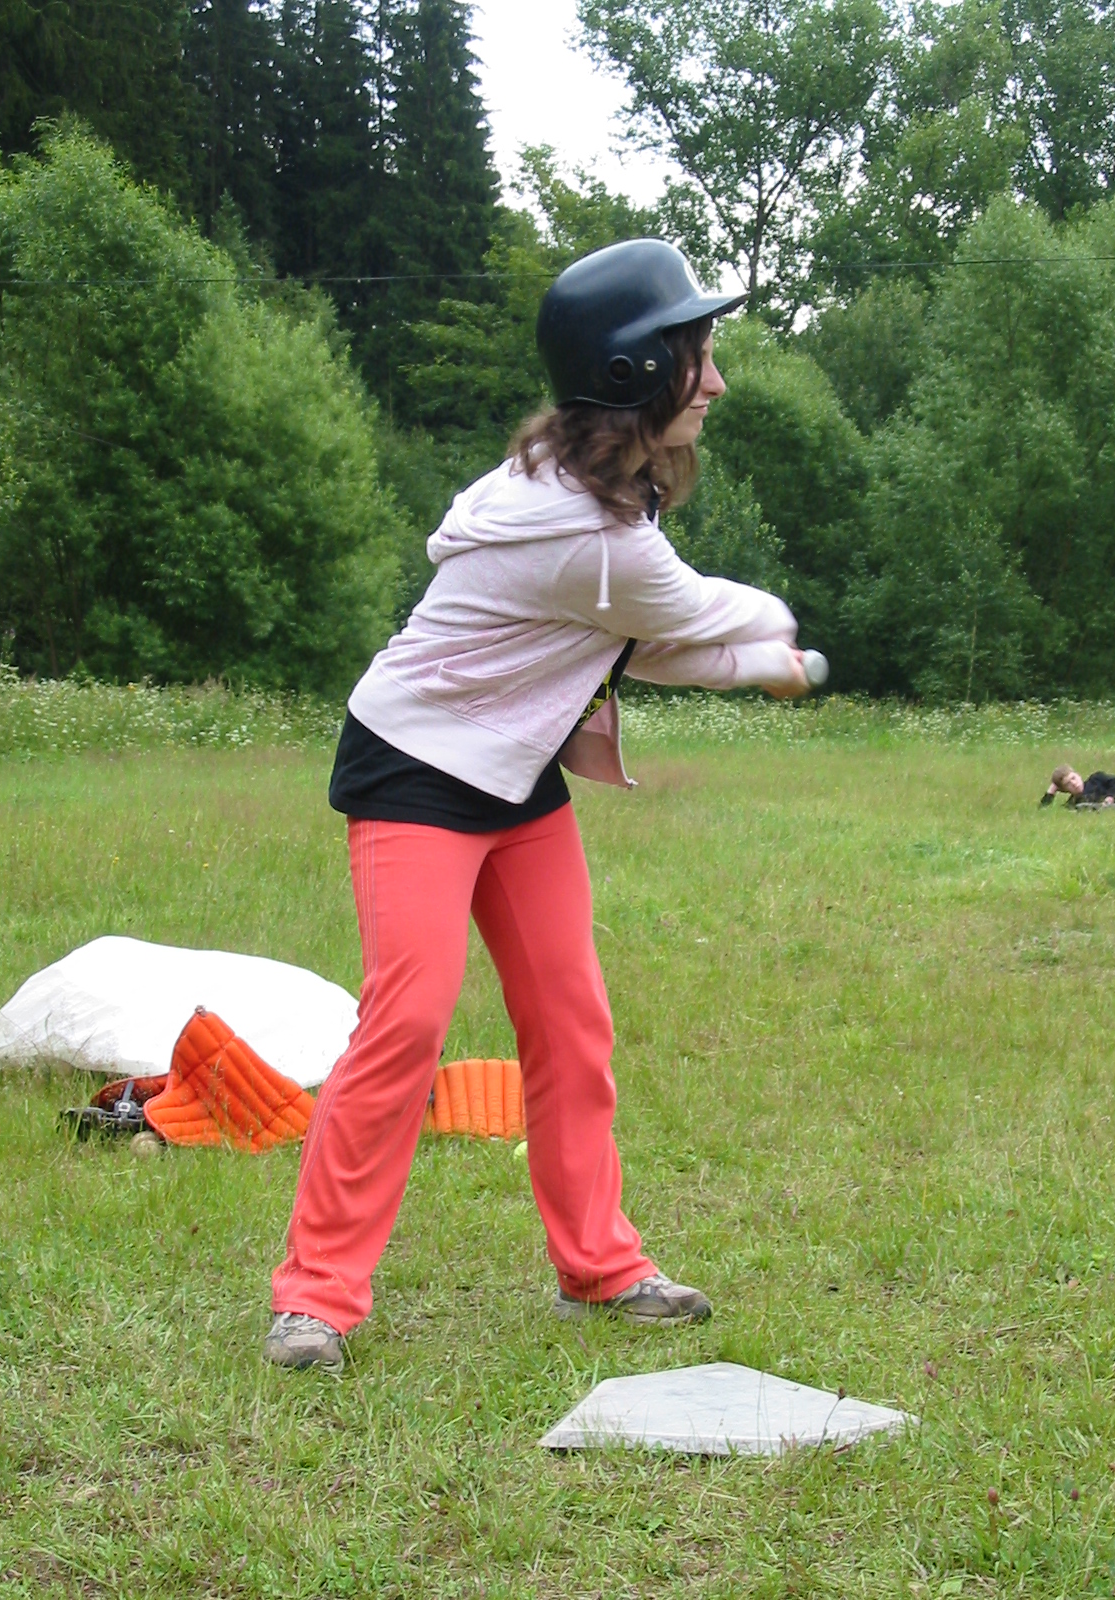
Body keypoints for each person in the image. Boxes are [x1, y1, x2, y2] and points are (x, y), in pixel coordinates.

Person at [264, 239, 816, 1372]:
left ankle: (600, 1268)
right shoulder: (587, 534)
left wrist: (761, 666)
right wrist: (779, 647)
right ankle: (314, 1298)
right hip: (415, 769)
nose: (716, 382)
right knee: (408, 1021)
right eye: (699, 357)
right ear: (631, 373)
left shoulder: (593, 504)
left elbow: (643, 641)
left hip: (514, 771)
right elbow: (702, 614)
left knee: (570, 1018)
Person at [1040, 765, 1115, 807]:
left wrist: (1111, 797)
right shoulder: (1072, 803)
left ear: (1078, 775)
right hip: (1108, 810)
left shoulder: (1096, 779)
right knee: (1082, 807)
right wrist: (1051, 790)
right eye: (1068, 784)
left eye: (1073, 778)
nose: (1074, 783)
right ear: (1065, 790)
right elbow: (1043, 810)